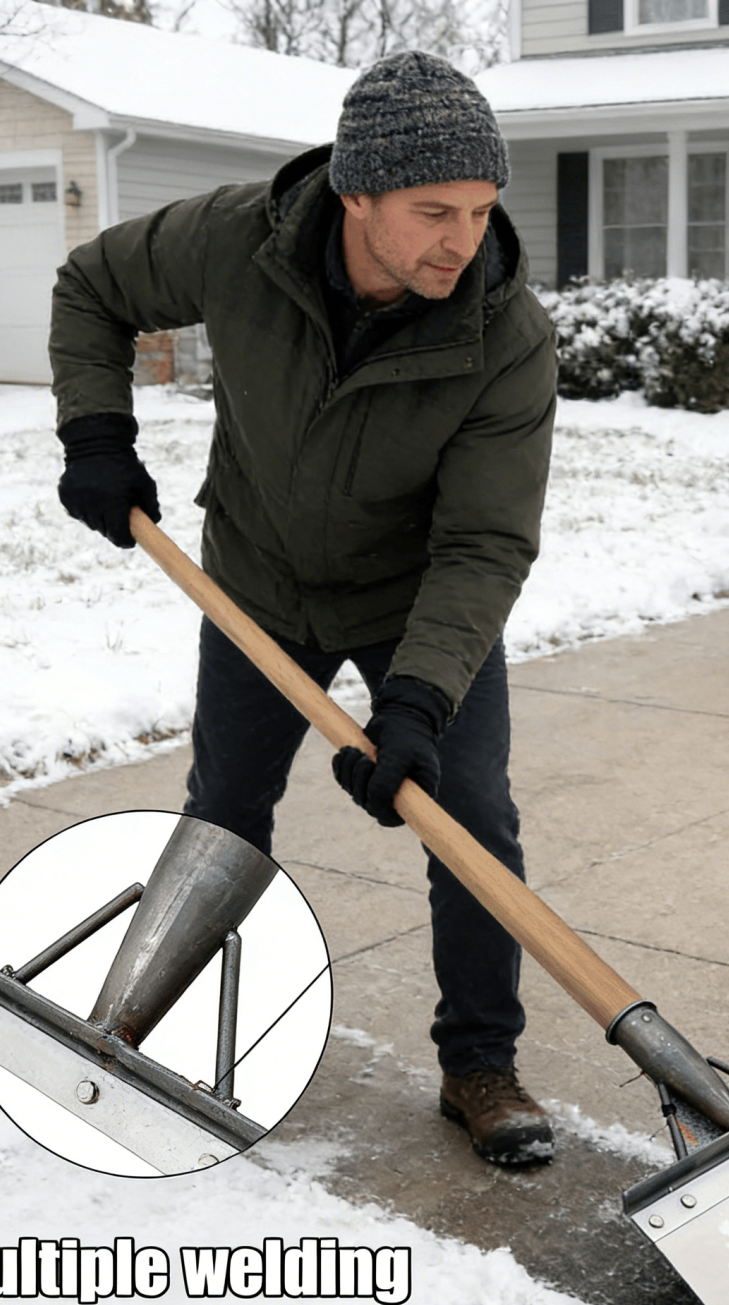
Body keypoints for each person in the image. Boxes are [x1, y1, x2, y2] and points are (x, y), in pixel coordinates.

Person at [48, 52, 558, 1167]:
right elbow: (92, 284)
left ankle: (480, 1062)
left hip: (413, 598)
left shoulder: (503, 333)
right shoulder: (238, 241)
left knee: (469, 815)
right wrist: (96, 433)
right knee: (225, 805)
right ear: (355, 192)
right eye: (434, 211)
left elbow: (483, 540)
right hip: (258, 582)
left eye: (479, 212)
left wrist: (417, 700)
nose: (459, 241)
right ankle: (143, 1021)